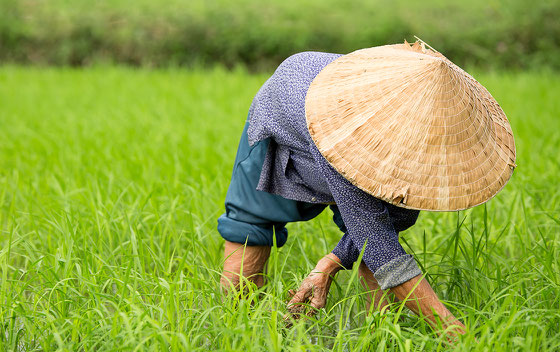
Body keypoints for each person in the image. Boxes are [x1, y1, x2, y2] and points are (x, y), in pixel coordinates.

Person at [217, 41, 516, 337]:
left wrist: (331, 262)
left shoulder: (422, 131)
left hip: (343, 107)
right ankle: (239, 340)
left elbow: (391, 221)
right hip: (283, 118)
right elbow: (379, 246)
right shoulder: (341, 130)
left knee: (383, 216)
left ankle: (379, 339)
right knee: (248, 232)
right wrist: (454, 333)